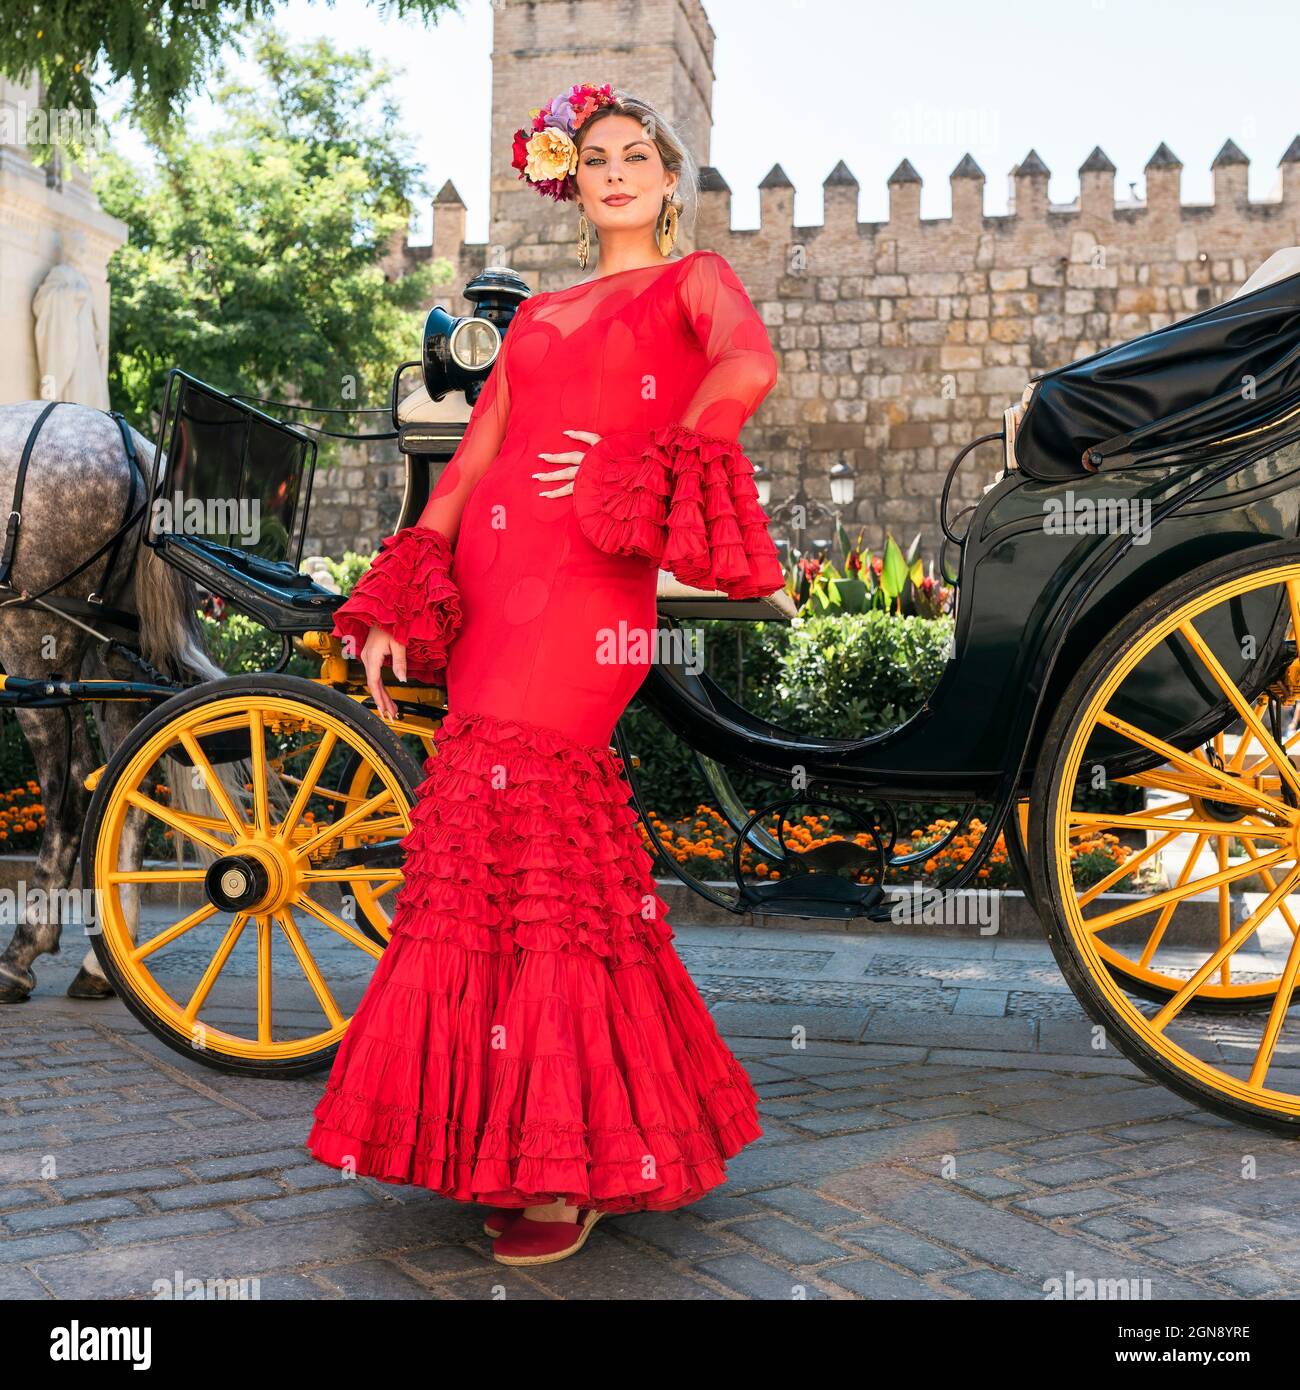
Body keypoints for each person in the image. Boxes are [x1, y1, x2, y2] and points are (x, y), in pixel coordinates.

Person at [305, 81, 785, 1267]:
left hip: (591, 579)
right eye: (599, 157)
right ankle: (530, 1135)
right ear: (570, 181)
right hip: (496, 579)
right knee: (484, 846)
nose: (617, 172)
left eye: (639, 156)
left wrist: (657, 453)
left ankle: (567, 1165)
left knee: (547, 827)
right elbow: (469, 468)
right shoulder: (537, 318)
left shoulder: (696, 283)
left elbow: (744, 369)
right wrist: (395, 595)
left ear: (671, 178)